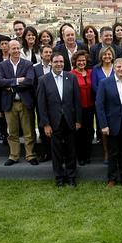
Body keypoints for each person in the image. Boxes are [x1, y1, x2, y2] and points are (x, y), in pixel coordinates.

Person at [37, 52, 82, 187]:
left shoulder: (71, 77)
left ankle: (71, 176)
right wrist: (45, 124)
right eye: (56, 62)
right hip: (53, 122)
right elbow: (41, 104)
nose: (59, 64)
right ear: (51, 62)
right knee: (56, 152)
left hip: (69, 120)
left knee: (71, 150)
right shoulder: (43, 80)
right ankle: (59, 178)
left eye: (61, 62)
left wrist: (78, 120)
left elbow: (77, 101)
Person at [96, 58, 122, 188]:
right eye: (119, 67)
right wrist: (103, 125)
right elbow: (100, 105)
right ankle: (112, 179)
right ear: (114, 68)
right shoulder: (104, 83)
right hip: (111, 124)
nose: (121, 69)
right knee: (113, 153)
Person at [0, 40, 38, 166]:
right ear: (8, 50)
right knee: (12, 131)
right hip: (10, 103)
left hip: (25, 102)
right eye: (13, 48)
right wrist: (18, 80)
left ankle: (30, 155)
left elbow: (30, 81)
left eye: (17, 48)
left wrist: (11, 85)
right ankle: (14, 156)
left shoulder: (28, 64)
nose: (16, 51)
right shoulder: (2, 65)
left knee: (28, 131)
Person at [70, 50, 95, 166]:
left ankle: (88, 155)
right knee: (79, 134)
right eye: (79, 60)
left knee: (89, 133)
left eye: (83, 60)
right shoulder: (71, 74)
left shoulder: (91, 72)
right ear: (75, 62)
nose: (81, 62)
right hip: (77, 109)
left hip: (90, 108)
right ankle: (80, 157)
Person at [91, 46, 116, 163]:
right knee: (104, 129)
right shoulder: (96, 69)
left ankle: (115, 152)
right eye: (105, 54)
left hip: (115, 103)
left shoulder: (116, 68)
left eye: (109, 54)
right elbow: (94, 86)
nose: (107, 56)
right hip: (101, 103)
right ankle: (106, 152)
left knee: (115, 128)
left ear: (112, 56)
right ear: (101, 56)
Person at [33, 45, 54, 162]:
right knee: (43, 126)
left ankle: (55, 152)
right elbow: (33, 84)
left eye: (50, 52)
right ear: (41, 54)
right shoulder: (35, 68)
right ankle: (46, 152)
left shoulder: (56, 66)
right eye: (46, 52)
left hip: (54, 102)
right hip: (40, 102)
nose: (48, 54)